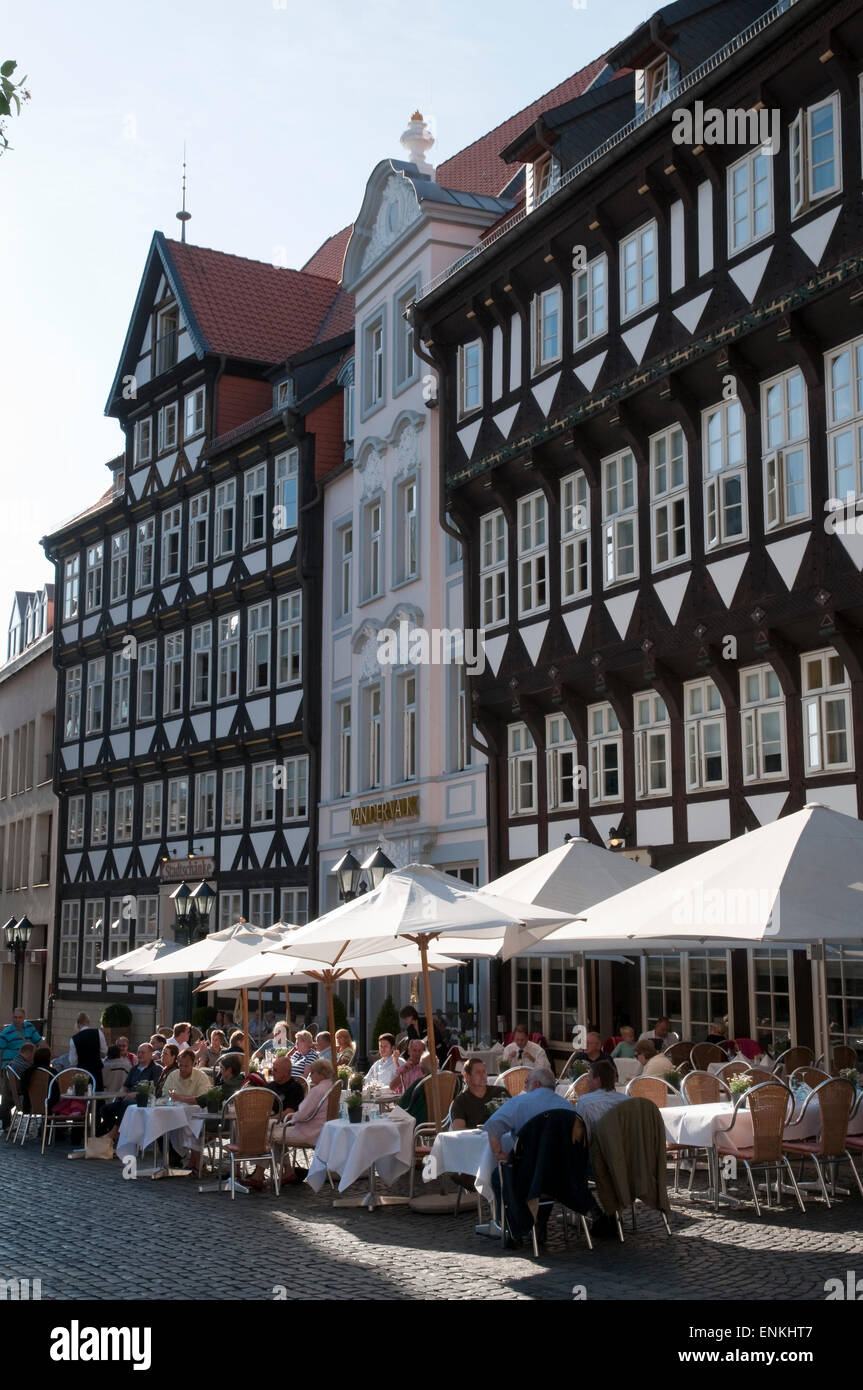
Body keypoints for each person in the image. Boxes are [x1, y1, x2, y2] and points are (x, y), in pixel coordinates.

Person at [484, 1069, 575, 1247]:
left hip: (529, 1171)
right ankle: (539, 1223)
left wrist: (499, 1154)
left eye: (526, 1082)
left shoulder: (520, 1102)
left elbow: (493, 1127)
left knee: (499, 1176)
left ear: (536, 1084)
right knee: (545, 1178)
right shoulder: (568, 1107)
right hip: (563, 1174)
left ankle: (513, 1227)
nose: (524, 1086)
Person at [100, 1043, 162, 1140]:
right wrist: (120, 1094)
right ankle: (119, 1134)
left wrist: (135, 1094)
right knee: (105, 1109)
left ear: (150, 1054)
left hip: (145, 1100)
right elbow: (125, 1086)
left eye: (143, 1052)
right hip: (128, 1099)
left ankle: (114, 1132)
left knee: (127, 1104)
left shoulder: (156, 1069)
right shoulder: (134, 1068)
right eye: (138, 1052)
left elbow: (154, 1088)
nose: (140, 1055)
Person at [573, 1060, 630, 1137]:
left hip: (597, 1147)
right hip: (623, 1147)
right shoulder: (627, 1100)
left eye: (589, 1076)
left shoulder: (584, 1102)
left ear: (597, 1080)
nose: (587, 1080)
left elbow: (581, 1136)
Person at [452, 1058, 505, 1129]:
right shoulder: (461, 1101)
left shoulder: (499, 1092)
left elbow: (514, 1118)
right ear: (466, 1076)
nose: (483, 1075)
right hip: (474, 1138)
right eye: (478, 1072)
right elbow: (459, 1129)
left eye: (484, 1071)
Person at [69, 1012, 107, 1087]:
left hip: (82, 1073)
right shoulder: (98, 1033)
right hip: (96, 1071)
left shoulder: (74, 1039)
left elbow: (73, 1062)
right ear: (88, 1022)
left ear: (77, 1023)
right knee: (97, 1094)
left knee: (83, 1095)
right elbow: (104, 1051)